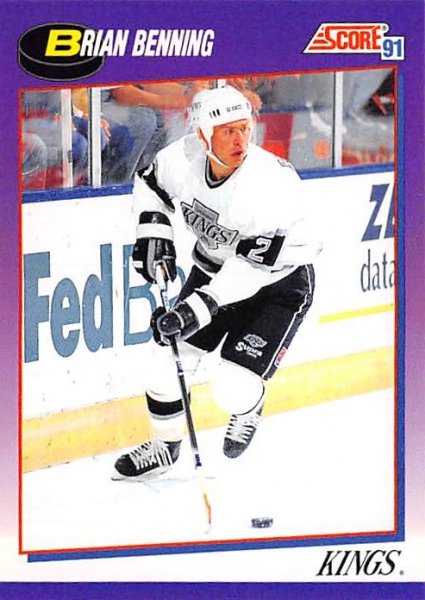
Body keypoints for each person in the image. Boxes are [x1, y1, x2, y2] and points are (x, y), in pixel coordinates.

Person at [112, 86, 322, 480]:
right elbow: (151, 186)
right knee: (164, 362)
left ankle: (248, 407)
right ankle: (165, 447)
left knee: (231, 386)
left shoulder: (268, 183)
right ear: (203, 134)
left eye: (245, 128)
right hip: (213, 272)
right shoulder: (181, 159)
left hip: (278, 284)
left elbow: (250, 269)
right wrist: (153, 231)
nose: (241, 140)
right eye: (228, 131)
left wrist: (195, 309)